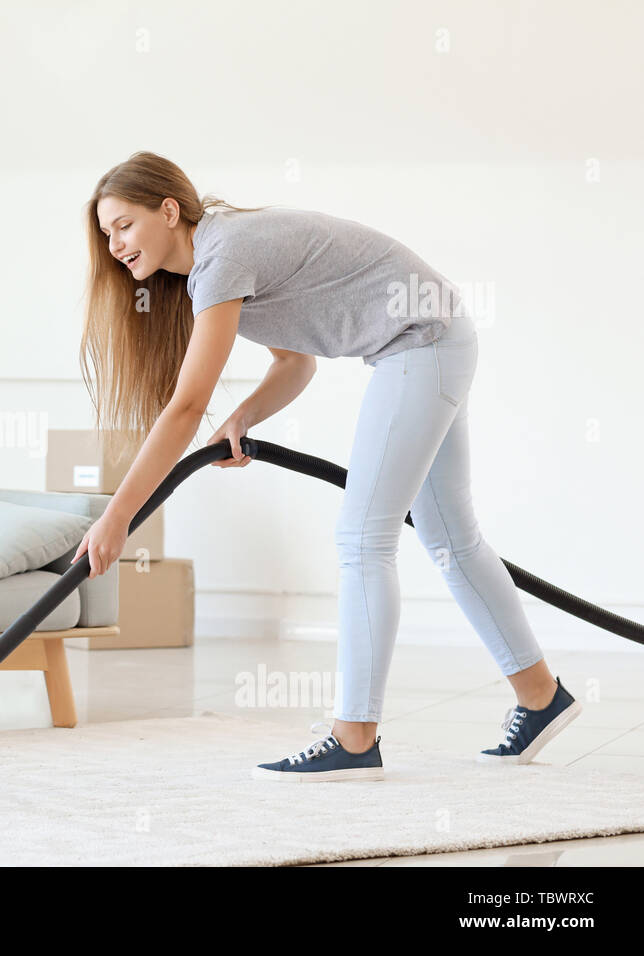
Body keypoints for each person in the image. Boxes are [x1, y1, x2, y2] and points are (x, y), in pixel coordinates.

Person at [71, 150, 581, 780]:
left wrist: (119, 517)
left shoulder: (223, 254)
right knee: (451, 538)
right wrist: (247, 416)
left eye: (123, 224)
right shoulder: (217, 263)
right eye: (105, 233)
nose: (115, 244)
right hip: (434, 340)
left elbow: (185, 407)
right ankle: (540, 697)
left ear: (169, 210)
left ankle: (355, 737)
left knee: (365, 537)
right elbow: (295, 362)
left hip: (419, 342)